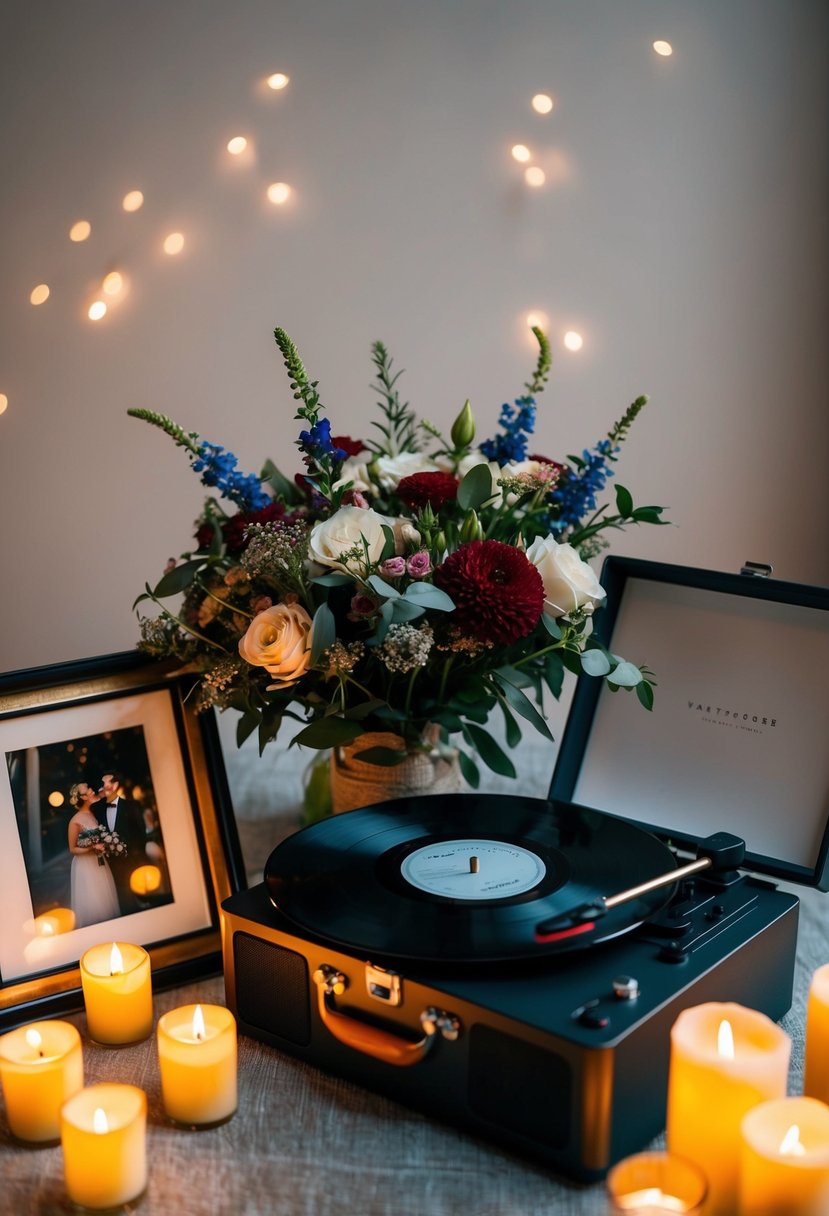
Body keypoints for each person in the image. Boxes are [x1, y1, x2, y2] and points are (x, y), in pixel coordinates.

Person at [67, 782, 120, 929]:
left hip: (99, 862)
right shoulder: (75, 821)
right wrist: (91, 848)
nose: (92, 790)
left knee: (105, 898)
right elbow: (72, 849)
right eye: (88, 790)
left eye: (89, 788)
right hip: (86, 866)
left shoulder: (92, 813)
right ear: (83, 797)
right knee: (93, 901)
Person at [95, 771, 147, 915]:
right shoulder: (99, 810)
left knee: (136, 899)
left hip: (131, 862)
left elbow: (140, 834)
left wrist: (137, 858)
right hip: (110, 865)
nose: (103, 787)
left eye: (106, 783)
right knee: (119, 900)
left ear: (115, 785)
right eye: (102, 784)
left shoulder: (132, 806)